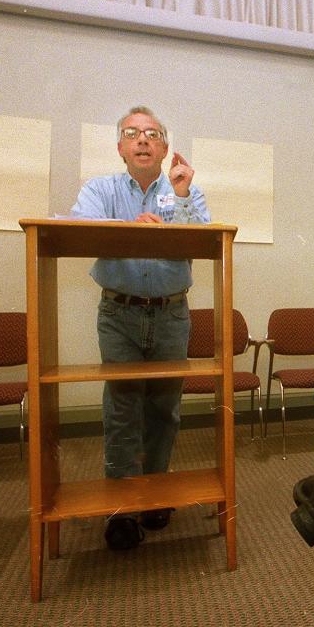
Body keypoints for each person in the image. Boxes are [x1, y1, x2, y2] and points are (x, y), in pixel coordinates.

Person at [70, 106, 210, 550]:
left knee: (164, 409)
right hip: (120, 315)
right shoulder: (101, 189)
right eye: (133, 133)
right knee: (123, 409)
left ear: (165, 147)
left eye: (153, 134)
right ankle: (123, 508)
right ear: (120, 148)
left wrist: (183, 199)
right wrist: (127, 229)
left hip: (171, 314)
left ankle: (155, 495)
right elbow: (77, 230)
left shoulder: (186, 190)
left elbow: (206, 242)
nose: (143, 140)